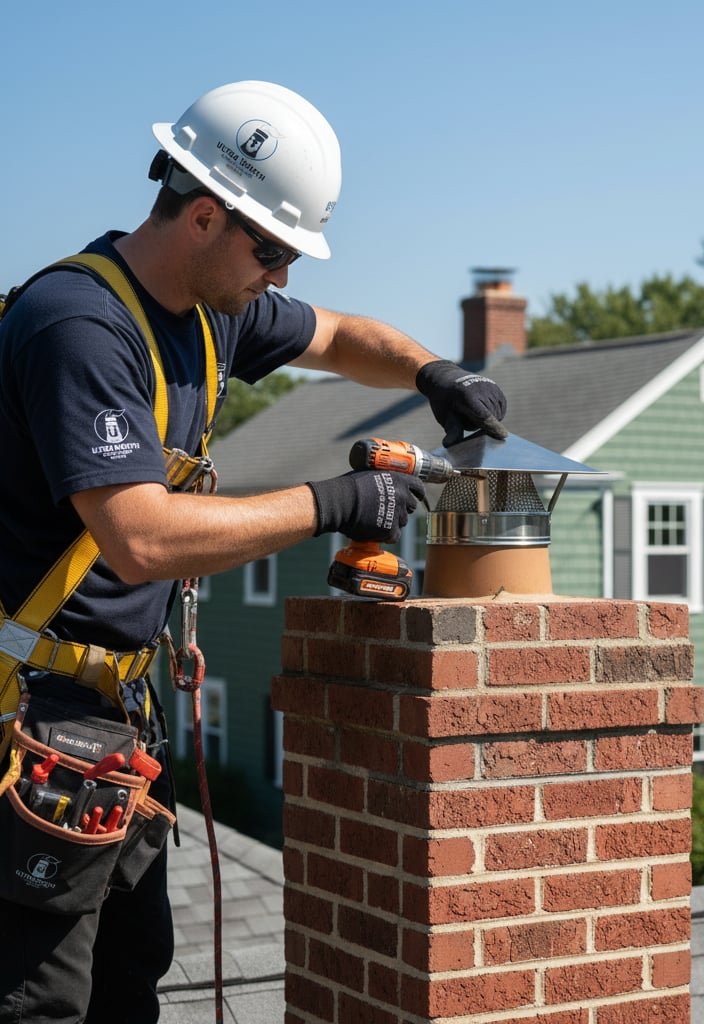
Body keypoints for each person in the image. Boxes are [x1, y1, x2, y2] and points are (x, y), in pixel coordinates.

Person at [0, 80, 507, 1024]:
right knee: (41, 1006)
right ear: (203, 216)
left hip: (109, 720)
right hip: (31, 714)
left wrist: (436, 372)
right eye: (272, 251)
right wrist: (334, 502)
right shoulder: (79, 325)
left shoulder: (213, 308)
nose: (279, 279)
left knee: (128, 983)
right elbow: (142, 535)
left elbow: (346, 335)